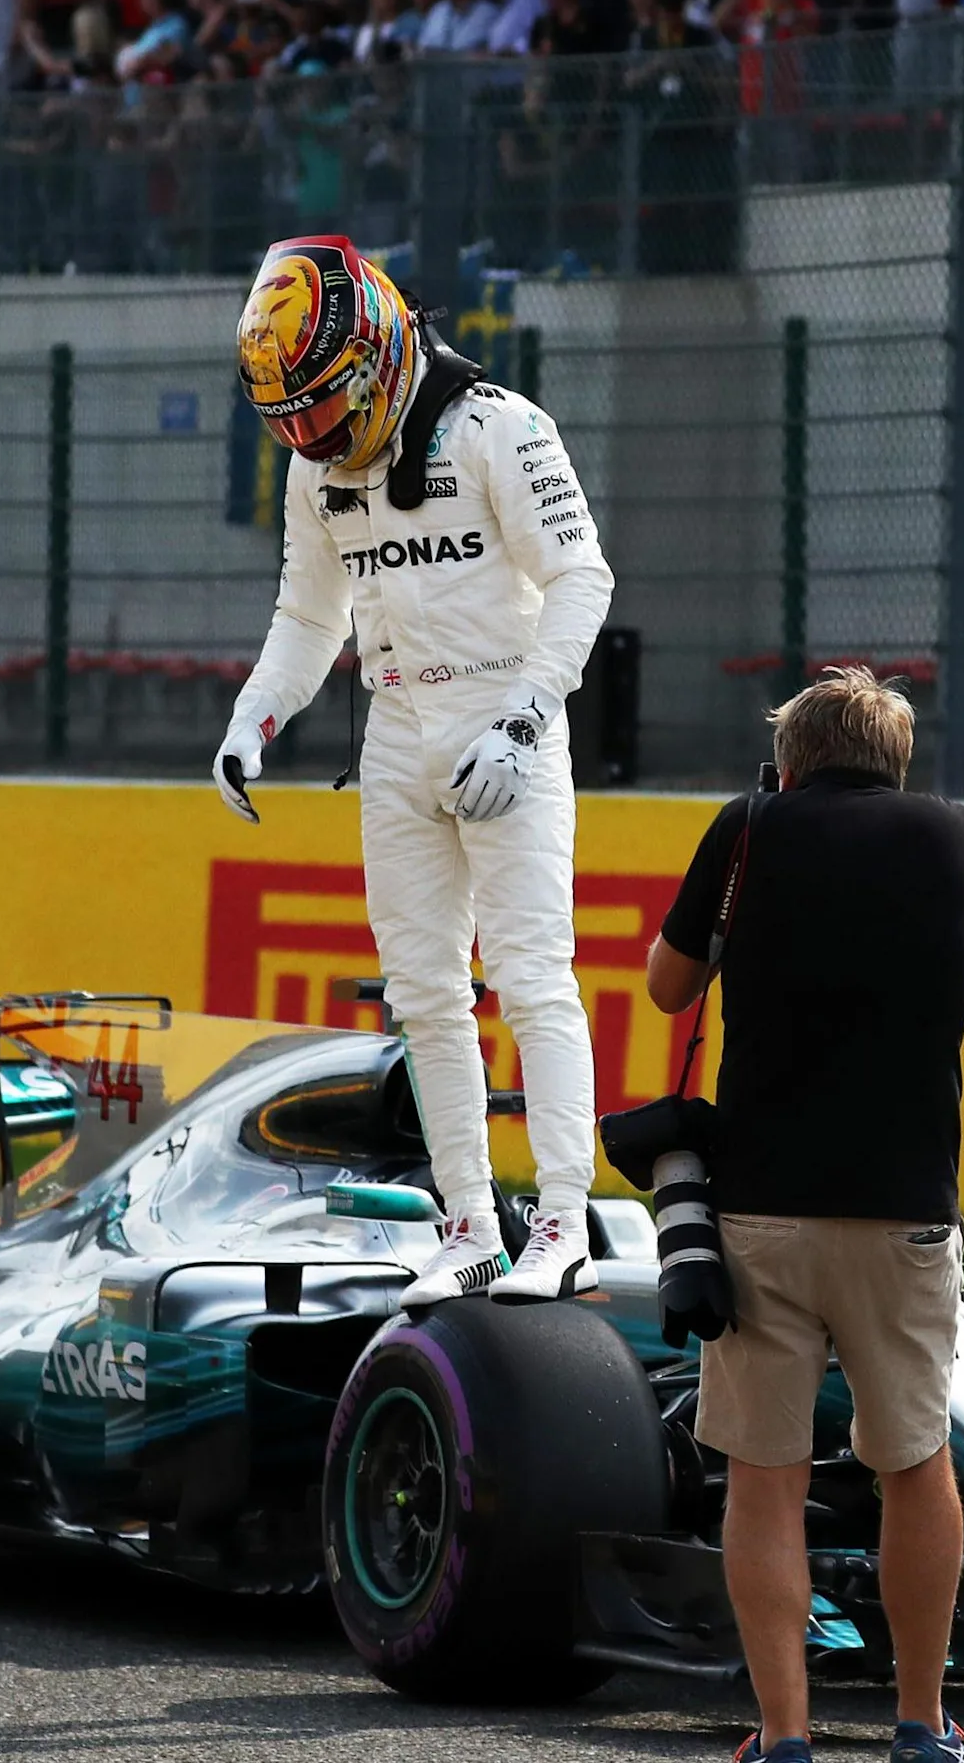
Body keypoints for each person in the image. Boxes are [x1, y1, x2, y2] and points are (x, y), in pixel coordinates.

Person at [217, 235, 616, 1308]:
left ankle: (563, 1225)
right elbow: (308, 615)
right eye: (287, 417)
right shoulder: (316, 471)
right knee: (425, 995)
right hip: (394, 730)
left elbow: (582, 577)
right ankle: (471, 1224)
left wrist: (528, 719)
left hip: (502, 714)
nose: (308, 434)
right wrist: (254, 718)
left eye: (319, 406)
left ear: (380, 351)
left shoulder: (502, 427)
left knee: (532, 975)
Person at [643, 668, 964, 1763]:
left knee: (764, 1477)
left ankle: (783, 1735)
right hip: (905, 1208)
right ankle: (919, 1723)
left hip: (759, 1207)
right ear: (895, 760)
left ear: (790, 760)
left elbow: (670, 986)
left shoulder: (749, 826)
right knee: (914, 1461)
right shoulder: (959, 838)